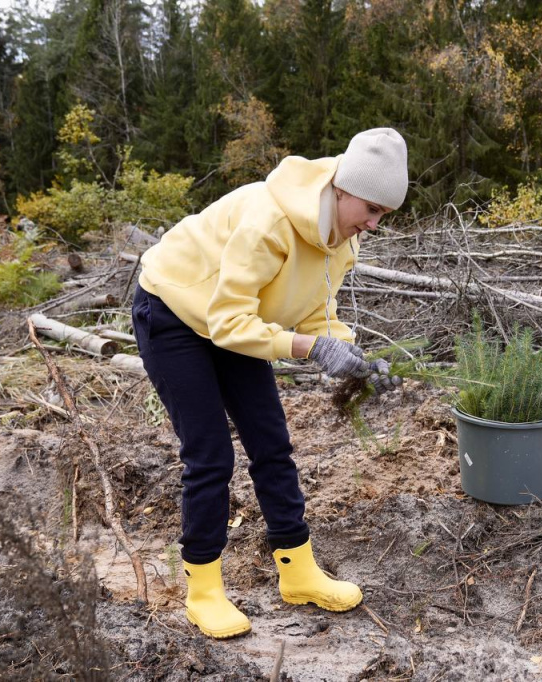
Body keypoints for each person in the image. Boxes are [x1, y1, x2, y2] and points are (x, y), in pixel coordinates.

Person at [131, 128, 407, 639]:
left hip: (236, 320)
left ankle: (298, 572)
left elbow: (319, 311)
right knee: (211, 453)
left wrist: (349, 353)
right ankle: (205, 590)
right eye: (369, 208)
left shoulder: (342, 238)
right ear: (341, 188)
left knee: (272, 444)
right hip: (174, 311)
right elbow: (228, 324)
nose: (372, 223)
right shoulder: (271, 220)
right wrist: (306, 349)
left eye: (382, 215)